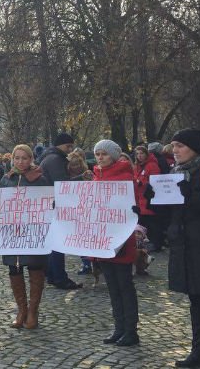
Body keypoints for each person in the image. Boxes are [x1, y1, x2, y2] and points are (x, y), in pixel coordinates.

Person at [146, 128, 200, 368]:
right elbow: (171, 214)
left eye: (180, 146)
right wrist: (152, 200)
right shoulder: (174, 173)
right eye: (173, 145)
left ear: (194, 148)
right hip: (186, 247)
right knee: (197, 303)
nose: (175, 150)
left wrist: (190, 196)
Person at [90, 139, 140, 346]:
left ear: (113, 156)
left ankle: (131, 330)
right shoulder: (96, 176)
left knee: (124, 285)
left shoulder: (126, 177)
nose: (100, 157)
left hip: (121, 240)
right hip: (102, 238)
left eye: (104, 154)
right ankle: (119, 327)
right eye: (97, 154)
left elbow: (135, 202)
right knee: (112, 286)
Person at [0, 145, 49, 329]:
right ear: (12, 159)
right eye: (17, 158)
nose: (20, 161)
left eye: (24, 158)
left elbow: (48, 203)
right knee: (14, 268)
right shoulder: (6, 179)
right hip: (12, 233)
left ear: (31, 159)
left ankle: (33, 311)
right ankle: (22, 310)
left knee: (35, 267)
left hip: (32, 232)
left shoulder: (40, 179)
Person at [39, 133, 82, 290]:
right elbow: (63, 185)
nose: (70, 149)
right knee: (57, 244)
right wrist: (82, 178)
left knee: (53, 243)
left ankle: (52, 275)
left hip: (50, 204)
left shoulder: (50, 157)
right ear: (59, 145)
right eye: (68, 146)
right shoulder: (55, 160)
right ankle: (59, 278)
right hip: (55, 205)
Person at [67, 151, 95, 275]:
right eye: (73, 165)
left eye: (78, 164)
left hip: (88, 210)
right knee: (80, 240)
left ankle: (93, 263)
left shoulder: (87, 174)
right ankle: (86, 263)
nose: (76, 167)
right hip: (75, 212)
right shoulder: (66, 176)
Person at [133, 145, 163, 252]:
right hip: (139, 198)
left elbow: (156, 181)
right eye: (137, 154)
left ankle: (156, 243)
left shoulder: (152, 165)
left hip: (149, 198)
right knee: (143, 223)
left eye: (141, 153)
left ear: (146, 154)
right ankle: (144, 243)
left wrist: (142, 183)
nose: (139, 156)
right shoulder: (137, 166)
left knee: (153, 223)